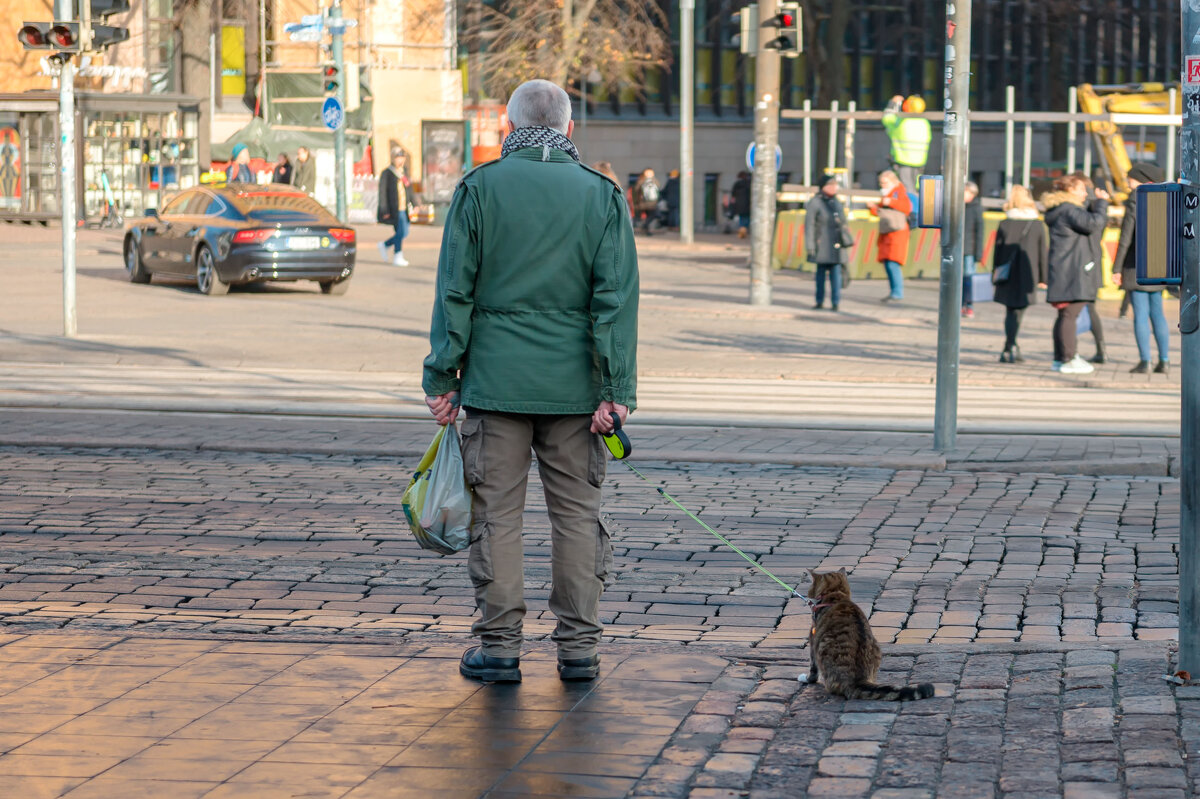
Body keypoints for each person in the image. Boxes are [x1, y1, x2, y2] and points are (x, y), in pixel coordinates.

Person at [422, 79, 639, 685]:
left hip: (495, 387)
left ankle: (499, 650)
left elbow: (453, 292)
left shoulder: (478, 188)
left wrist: (443, 375)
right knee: (577, 517)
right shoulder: (602, 196)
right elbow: (616, 302)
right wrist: (617, 389)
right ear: (569, 130)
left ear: (507, 130)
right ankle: (579, 652)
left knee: (498, 518)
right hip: (578, 394)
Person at [1043, 174, 1109, 374]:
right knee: (1070, 314)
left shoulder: (1061, 209)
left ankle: (1060, 358)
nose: (1084, 194)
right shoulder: (1069, 210)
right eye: (1081, 189)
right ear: (1070, 189)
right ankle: (1069, 358)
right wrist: (1102, 203)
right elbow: (1094, 224)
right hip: (1073, 271)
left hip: (1066, 270)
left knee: (1065, 314)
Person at [1112, 162, 1170, 373]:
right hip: (1160, 265)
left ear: (1143, 179)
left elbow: (1126, 237)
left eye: (1131, 178)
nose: (1128, 183)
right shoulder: (1165, 197)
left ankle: (1145, 361)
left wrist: (1116, 268)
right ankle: (1164, 361)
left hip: (1135, 266)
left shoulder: (1137, 197)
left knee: (1141, 315)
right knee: (1158, 314)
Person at [991, 185, 1047, 363]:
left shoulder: (1005, 222)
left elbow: (997, 251)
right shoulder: (1036, 224)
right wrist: (1043, 277)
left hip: (1007, 273)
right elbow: (1042, 252)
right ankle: (1011, 345)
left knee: (1009, 310)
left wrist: (995, 272)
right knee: (1020, 310)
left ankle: (1009, 346)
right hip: (1028, 272)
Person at [1074, 172, 1109, 363]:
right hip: (1093, 262)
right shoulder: (1098, 209)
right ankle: (1100, 349)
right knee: (1089, 307)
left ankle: (1073, 351)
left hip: (1084, 263)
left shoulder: (1084, 210)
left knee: (1074, 309)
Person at [806, 174, 852, 311]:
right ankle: (819, 301)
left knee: (836, 274)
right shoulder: (815, 202)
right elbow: (809, 225)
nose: (834, 188)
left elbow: (843, 222)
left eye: (835, 185)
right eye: (830, 185)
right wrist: (810, 246)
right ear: (823, 187)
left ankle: (835, 302)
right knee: (820, 274)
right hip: (822, 244)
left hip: (836, 243)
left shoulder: (836, 202)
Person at [868, 170, 913, 302]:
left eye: (884, 182)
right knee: (888, 263)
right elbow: (882, 213)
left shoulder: (898, 192)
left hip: (897, 233)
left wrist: (890, 202)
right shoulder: (887, 194)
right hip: (887, 233)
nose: (882, 185)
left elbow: (906, 208)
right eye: (880, 183)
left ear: (893, 181)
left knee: (893, 263)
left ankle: (897, 292)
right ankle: (894, 291)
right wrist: (873, 208)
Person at [882, 95, 931, 191]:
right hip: (920, 162)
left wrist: (892, 103)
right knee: (916, 188)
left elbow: (887, 118)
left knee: (905, 190)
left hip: (903, 162)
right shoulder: (925, 123)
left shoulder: (901, 121)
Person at [377, 147, 410, 266]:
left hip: (403, 207)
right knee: (400, 232)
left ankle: (385, 245)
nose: (400, 160)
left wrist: (416, 204)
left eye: (402, 157)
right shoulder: (387, 173)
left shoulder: (403, 171)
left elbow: (408, 189)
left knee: (405, 232)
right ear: (393, 158)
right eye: (398, 157)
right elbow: (382, 193)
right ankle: (397, 255)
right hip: (394, 208)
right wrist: (384, 209)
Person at [961, 181, 984, 318]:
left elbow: (979, 231)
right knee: (957, 279)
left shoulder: (976, 208)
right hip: (958, 249)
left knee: (969, 278)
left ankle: (969, 305)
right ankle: (958, 305)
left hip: (970, 249)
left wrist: (978, 253)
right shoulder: (957, 206)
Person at [633, 168, 660, 234]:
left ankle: (647, 229)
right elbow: (658, 190)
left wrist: (636, 202)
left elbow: (635, 192)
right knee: (654, 215)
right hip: (652, 203)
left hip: (643, 203)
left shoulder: (640, 181)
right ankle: (645, 226)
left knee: (649, 216)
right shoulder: (654, 181)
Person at [730, 171, 752, 238]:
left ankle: (742, 229)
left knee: (741, 218)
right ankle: (744, 229)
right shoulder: (748, 184)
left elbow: (733, 194)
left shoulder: (737, 184)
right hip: (747, 205)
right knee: (747, 219)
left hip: (739, 205)